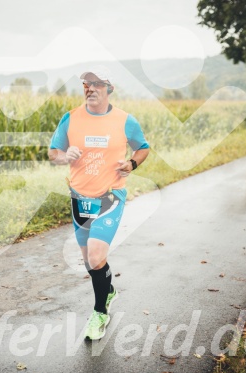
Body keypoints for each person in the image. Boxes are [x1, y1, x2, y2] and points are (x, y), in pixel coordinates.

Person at [48, 66, 150, 340]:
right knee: (90, 263)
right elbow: (52, 152)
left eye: (96, 83)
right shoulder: (70, 119)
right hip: (79, 199)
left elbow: (143, 147)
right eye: (86, 83)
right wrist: (63, 155)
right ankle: (109, 290)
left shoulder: (125, 120)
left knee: (95, 256)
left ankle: (99, 313)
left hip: (110, 198)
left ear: (109, 89)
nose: (89, 88)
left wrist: (131, 163)